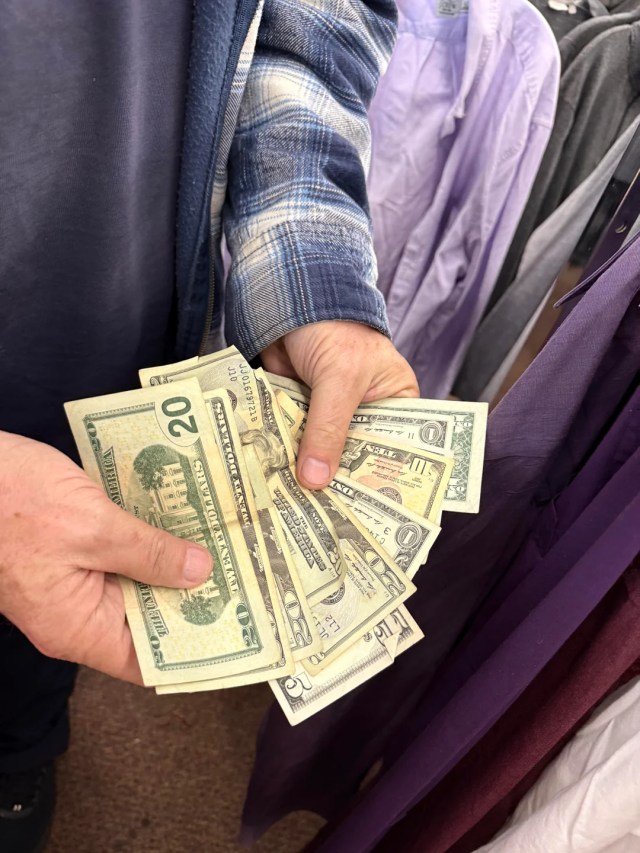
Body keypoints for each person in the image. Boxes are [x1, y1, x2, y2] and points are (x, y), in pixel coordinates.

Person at [0, 1, 418, 850]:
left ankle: (18, 748)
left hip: (120, 315)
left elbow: (309, 28)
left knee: (44, 640)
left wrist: (310, 269)